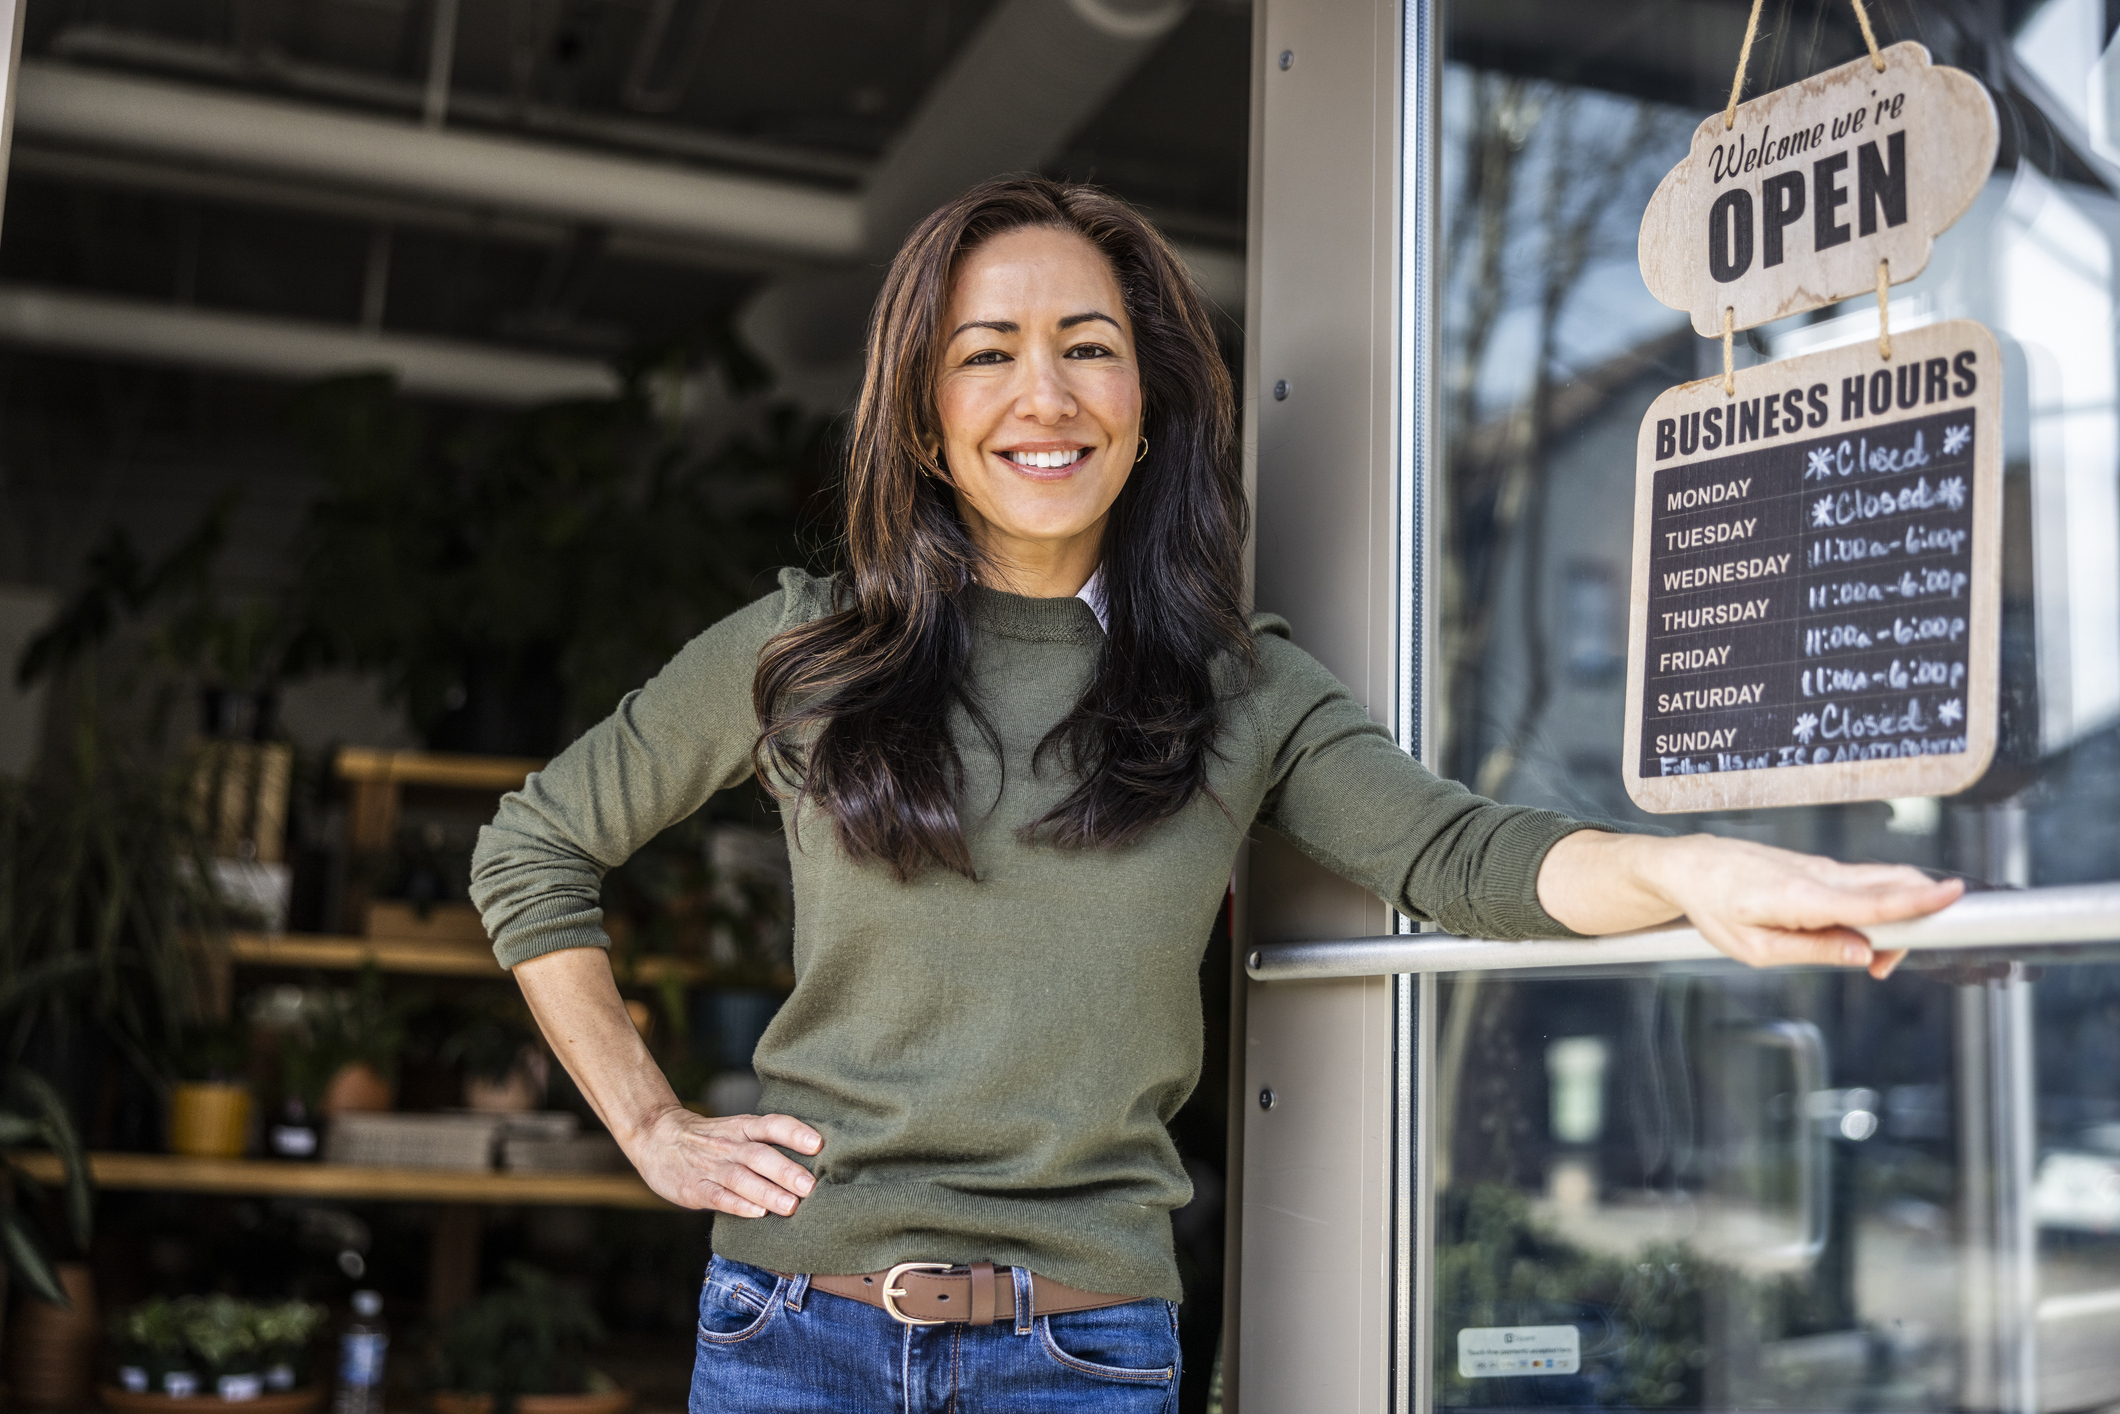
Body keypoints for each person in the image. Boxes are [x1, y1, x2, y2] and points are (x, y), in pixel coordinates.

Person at [469, 176, 1961, 1412]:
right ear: (924, 417)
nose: (1042, 395)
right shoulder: (804, 654)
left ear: (1150, 394)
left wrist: (1694, 875)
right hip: (790, 1333)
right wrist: (651, 1119)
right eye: (987, 352)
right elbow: (532, 847)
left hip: (1082, 1355)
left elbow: (1462, 852)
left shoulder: (1236, 692)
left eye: (1088, 346)